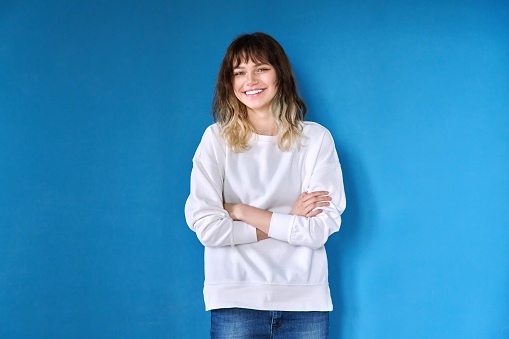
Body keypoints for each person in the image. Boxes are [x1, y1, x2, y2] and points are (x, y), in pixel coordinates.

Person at [184, 32, 346, 339]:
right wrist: (290, 218)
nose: (250, 80)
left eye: (261, 68)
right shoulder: (215, 140)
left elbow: (318, 230)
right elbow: (207, 228)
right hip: (234, 298)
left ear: (279, 75)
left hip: (304, 299)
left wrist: (241, 210)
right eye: (239, 72)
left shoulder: (316, 140)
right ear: (229, 84)